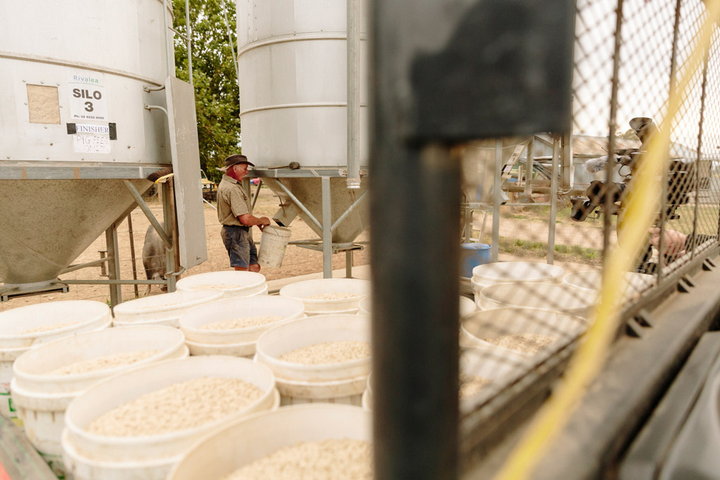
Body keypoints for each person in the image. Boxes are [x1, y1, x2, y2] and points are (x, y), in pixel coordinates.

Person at [216, 154, 271, 272]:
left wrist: (256, 223)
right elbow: (245, 219)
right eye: (244, 169)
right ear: (235, 168)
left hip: (239, 232)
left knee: (254, 266)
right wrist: (261, 220)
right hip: (236, 233)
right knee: (242, 272)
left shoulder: (231, 185)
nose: (247, 172)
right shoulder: (232, 188)